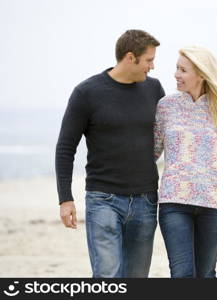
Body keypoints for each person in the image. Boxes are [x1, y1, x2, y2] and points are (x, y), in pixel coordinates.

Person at [55, 30, 165, 278]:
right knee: (107, 278)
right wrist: (65, 198)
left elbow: (168, 136)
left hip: (146, 199)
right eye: (149, 60)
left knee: (136, 278)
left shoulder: (154, 89)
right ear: (130, 57)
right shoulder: (86, 93)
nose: (153, 66)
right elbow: (65, 148)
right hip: (103, 199)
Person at [154, 45, 217, 278]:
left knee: (206, 273)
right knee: (181, 274)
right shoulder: (166, 106)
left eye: (183, 70)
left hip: (214, 204)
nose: (176, 74)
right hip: (174, 202)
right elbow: (152, 152)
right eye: (176, 68)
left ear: (201, 74)